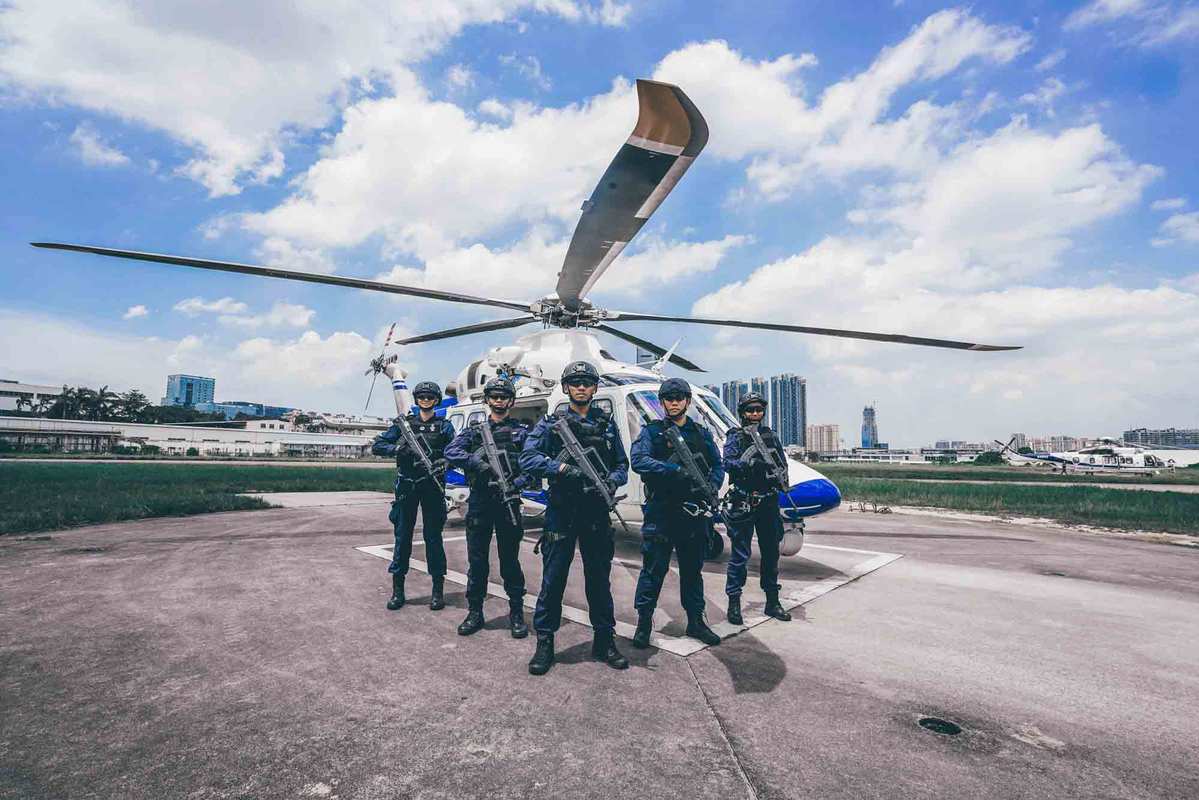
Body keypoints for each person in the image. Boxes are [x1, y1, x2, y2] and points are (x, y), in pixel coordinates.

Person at [520, 361, 629, 676]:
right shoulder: (551, 424)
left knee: (599, 580)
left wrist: (612, 480)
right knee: (553, 580)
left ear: (595, 388)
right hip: (562, 511)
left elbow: (622, 465)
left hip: (596, 511)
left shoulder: (606, 425)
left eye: (587, 382)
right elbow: (528, 458)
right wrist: (563, 468)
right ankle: (545, 642)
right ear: (566, 388)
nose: (581, 387)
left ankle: (604, 641)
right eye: (576, 382)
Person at [629, 378, 724, 648]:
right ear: (662, 402)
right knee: (653, 571)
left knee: (692, 572)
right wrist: (673, 470)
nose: (674, 402)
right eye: (669, 398)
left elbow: (717, 465)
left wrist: (712, 485)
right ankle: (644, 623)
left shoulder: (701, 433)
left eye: (679, 398)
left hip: (693, 515)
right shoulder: (652, 432)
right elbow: (639, 461)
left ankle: (696, 621)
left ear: (687, 401)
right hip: (662, 512)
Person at [444, 377, 531, 638]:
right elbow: (451, 451)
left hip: (508, 501)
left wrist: (517, 483)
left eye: (503, 397)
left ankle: (516, 613)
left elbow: (532, 463)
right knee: (477, 560)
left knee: (510, 561)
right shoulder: (474, 432)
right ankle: (475, 612)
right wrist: (477, 463)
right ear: (487, 400)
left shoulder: (521, 432)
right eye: (494, 396)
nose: (499, 400)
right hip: (481, 501)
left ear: (511, 401)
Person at [371, 381, 455, 612]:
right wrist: (399, 449)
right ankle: (398, 591)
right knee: (402, 538)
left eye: (430, 397)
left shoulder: (445, 427)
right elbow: (378, 445)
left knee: (433, 538)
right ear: (417, 399)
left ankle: (437, 591)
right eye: (422, 397)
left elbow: (456, 451)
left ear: (436, 400)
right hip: (407, 486)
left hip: (432, 487)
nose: (426, 400)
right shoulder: (404, 425)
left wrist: (445, 462)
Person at [722, 392, 792, 625]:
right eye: (750, 410)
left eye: (758, 410)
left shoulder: (771, 436)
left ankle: (772, 601)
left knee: (771, 554)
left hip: (768, 502)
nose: (755, 414)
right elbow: (727, 463)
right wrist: (750, 463)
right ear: (742, 412)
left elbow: (782, 462)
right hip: (744, 501)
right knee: (740, 555)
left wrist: (781, 478)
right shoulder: (736, 436)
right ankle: (734, 603)